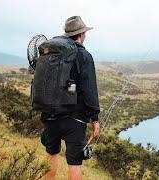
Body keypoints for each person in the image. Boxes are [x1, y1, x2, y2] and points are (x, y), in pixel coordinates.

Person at [41, 16, 100, 180]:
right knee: (74, 163)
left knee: (51, 154)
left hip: (50, 115)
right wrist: (94, 119)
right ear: (81, 35)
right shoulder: (84, 55)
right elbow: (89, 90)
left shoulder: (51, 54)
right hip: (75, 119)